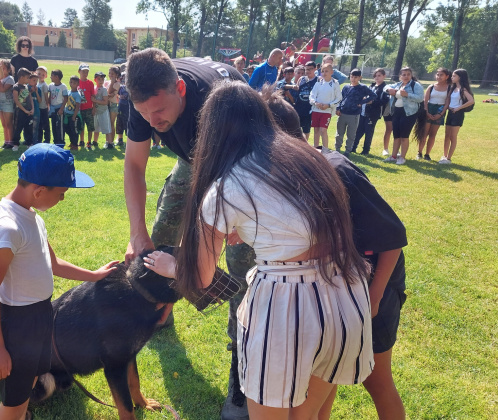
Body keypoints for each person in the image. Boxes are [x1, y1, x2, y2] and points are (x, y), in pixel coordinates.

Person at [143, 82, 373, 419]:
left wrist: (170, 266)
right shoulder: (310, 158)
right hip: (346, 297)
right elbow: (299, 226)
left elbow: (202, 275)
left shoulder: (226, 187)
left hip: (286, 309)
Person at [265, 91, 408, 420]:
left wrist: (373, 298)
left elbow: (393, 237)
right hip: (337, 287)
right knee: (325, 368)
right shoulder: (290, 171)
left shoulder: (335, 170)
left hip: (374, 285)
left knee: (376, 379)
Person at [124, 49, 251, 420]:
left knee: (242, 267)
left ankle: (240, 371)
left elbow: (244, 173)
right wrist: (137, 232)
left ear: (180, 88)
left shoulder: (219, 101)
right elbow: (134, 163)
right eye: (145, 113)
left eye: (159, 112)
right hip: (191, 156)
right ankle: (159, 308)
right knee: (159, 233)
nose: (152, 120)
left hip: (238, 162)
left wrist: (235, 220)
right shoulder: (145, 96)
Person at [0, 143, 118, 420]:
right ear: (39, 191)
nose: (63, 199)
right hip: (19, 326)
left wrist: (94, 275)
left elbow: (52, 263)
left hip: (41, 316)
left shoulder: (31, 216)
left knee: (27, 384)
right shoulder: (8, 227)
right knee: (12, 404)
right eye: (62, 194)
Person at [383, 67, 424, 165]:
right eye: (404, 75)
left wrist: (407, 94)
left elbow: (420, 98)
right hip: (397, 112)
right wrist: (389, 90)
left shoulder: (416, 85)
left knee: (404, 136)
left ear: (411, 75)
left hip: (409, 113)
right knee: (396, 135)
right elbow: (385, 86)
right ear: (400, 76)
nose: (406, 76)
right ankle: (393, 156)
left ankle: (402, 157)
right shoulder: (398, 84)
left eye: (408, 74)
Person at [334, 68, 376, 156]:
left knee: (351, 134)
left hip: (354, 115)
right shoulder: (346, 87)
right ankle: (337, 149)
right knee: (339, 133)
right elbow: (340, 99)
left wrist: (362, 102)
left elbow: (373, 95)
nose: (353, 79)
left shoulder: (362, 88)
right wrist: (338, 108)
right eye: (352, 76)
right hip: (343, 113)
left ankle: (347, 151)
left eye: (356, 77)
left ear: (360, 77)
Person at [440, 68, 474, 164]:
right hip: (450, 113)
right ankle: (444, 155)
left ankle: (449, 158)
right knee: (447, 135)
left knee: (453, 136)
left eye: (454, 76)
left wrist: (459, 108)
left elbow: (471, 101)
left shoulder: (463, 89)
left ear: (460, 77)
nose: (452, 77)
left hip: (457, 114)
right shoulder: (453, 88)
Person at [352, 68, 389, 155]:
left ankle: (365, 150)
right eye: (375, 76)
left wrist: (372, 102)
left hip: (373, 113)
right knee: (359, 130)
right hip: (364, 111)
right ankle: (353, 147)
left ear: (384, 76)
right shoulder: (371, 86)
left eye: (379, 75)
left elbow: (384, 101)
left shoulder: (385, 88)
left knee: (368, 132)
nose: (377, 77)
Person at [418, 68, 450, 161]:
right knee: (424, 133)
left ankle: (427, 154)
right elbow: (425, 101)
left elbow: (447, 102)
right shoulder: (431, 87)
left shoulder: (449, 88)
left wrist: (440, 114)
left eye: (441, 75)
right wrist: (427, 112)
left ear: (447, 76)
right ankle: (419, 152)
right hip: (429, 109)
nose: (439, 77)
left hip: (440, 111)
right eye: (438, 74)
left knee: (433, 134)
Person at [309, 63, 341, 151]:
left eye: (326, 71)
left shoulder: (335, 83)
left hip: (326, 111)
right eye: (322, 71)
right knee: (316, 130)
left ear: (332, 72)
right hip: (316, 110)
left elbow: (339, 98)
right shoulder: (318, 83)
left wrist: (329, 105)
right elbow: (311, 96)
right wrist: (316, 103)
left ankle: (325, 150)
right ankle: (316, 148)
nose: (324, 73)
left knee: (323, 130)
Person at [11, 68, 34, 151]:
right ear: (21, 77)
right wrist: (24, 110)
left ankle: (29, 143)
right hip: (20, 111)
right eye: (27, 78)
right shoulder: (16, 87)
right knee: (18, 128)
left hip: (28, 111)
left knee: (29, 128)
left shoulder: (26, 87)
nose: (29, 79)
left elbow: (30, 97)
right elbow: (16, 100)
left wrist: (32, 109)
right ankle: (16, 144)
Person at [294, 61, 318, 141]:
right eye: (306, 69)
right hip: (299, 107)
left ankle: (305, 144)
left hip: (309, 109)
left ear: (315, 69)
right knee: (296, 128)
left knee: (306, 129)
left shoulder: (318, 80)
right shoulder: (301, 79)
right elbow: (297, 89)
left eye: (310, 69)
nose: (308, 71)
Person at [91, 71, 112, 149]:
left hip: (103, 111)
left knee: (106, 127)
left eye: (102, 79)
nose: (101, 81)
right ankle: (95, 141)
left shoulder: (104, 90)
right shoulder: (94, 88)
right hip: (96, 111)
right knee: (96, 128)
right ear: (95, 80)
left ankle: (109, 143)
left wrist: (95, 101)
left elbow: (105, 102)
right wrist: (93, 109)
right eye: (99, 79)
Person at [76, 63, 96, 149]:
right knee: (81, 126)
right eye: (83, 71)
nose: (85, 74)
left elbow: (93, 96)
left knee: (90, 127)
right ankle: (81, 141)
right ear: (79, 71)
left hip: (88, 108)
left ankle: (89, 142)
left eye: (87, 72)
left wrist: (94, 108)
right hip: (80, 109)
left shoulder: (90, 83)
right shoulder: (77, 82)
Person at [0, 59, 15, 149]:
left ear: (9, 70)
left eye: (3, 68)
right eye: (0, 68)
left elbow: (3, 89)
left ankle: (11, 141)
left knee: (9, 123)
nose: (2, 70)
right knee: (4, 124)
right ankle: (6, 141)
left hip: (8, 103)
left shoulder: (10, 79)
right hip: (0, 102)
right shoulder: (0, 78)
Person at [48, 69, 68, 146]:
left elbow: (65, 98)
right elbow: (50, 97)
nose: (50, 77)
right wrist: (49, 107)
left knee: (60, 126)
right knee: (53, 126)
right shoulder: (51, 86)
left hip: (60, 108)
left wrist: (61, 109)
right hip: (53, 109)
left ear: (56, 77)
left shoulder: (63, 86)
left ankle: (61, 141)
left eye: (52, 75)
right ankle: (55, 141)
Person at [63, 75, 82, 150]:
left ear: (77, 84)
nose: (72, 84)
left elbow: (77, 107)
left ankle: (75, 145)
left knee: (74, 130)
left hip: (74, 115)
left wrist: (74, 116)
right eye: (71, 82)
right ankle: (72, 142)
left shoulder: (77, 94)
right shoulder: (68, 92)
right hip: (68, 114)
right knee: (68, 129)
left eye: (74, 83)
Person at [106, 66, 121, 149]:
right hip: (106, 104)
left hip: (114, 105)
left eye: (112, 73)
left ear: (116, 75)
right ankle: (107, 141)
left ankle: (111, 142)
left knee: (111, 123)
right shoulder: (107, 82)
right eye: (110, 73)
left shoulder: (117, 84)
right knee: (107, 124)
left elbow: (109, 92)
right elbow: (107, 94)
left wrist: (111, 83)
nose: (110, 75)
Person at [35, 66, 50, 144]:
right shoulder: (37, 84)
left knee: (46, 124)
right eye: (39, 74)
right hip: (38, 107)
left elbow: (46, 96)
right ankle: (39, 139)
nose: (40, 76)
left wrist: (48, 106)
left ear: (46, 76)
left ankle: (47, 139)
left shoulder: (44, 85)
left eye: (43, 75)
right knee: (39, 124)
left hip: (43, 107)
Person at [115, 67, 128, 147]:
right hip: (121, 106)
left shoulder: (131, 87)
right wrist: (118, 100)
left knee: (128, 124)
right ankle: (120, 139)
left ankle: (130, 140)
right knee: (119, 123)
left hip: (129, 108)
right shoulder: (121, 86)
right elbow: (117, 93)